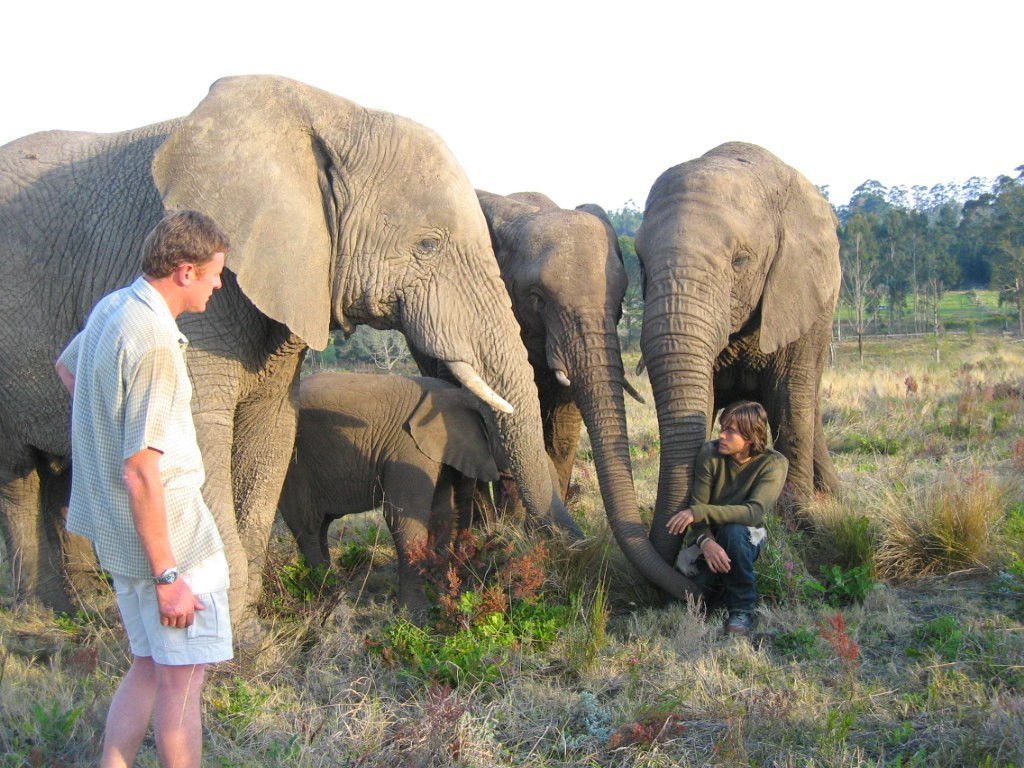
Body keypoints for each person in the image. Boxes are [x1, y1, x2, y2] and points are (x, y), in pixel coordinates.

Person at [55, 210, 232, 768]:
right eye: (213, 274)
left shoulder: (114, 307)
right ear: (184, 272)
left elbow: (68, 370)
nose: (219, 284)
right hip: (171, 542)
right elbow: (140, 469)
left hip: (119, 532)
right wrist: (169, 576)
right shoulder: (155, 341)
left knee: (149, 667)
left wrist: (105, 429)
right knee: (182, 685)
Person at [665, 400, 788, 635]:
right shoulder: (709, 454)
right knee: (678, 602)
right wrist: (706, 542)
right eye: (722, 428)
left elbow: (754, 513)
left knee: (733, 532)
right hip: (709, 535)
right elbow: (698, 509)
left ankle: (742, 610)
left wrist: (698, 512)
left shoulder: (774, 464)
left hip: (750, 534)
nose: (721, 435)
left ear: (750, 438)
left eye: (730, 431)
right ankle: (717, 593)